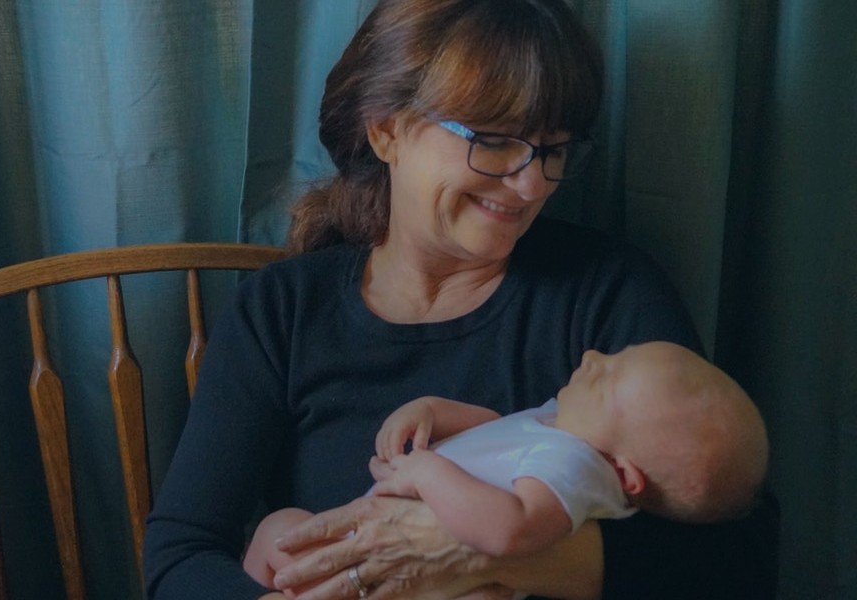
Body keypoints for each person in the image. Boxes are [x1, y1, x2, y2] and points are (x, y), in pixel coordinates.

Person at [143, 0, 778, 598]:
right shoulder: (281, 311)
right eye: (493, 139)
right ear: (387, 131)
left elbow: (740, 558)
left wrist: (483, 553)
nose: (530, 184)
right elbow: (180, 554)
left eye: (552, 150)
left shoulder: (608, 292)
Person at [242, 341, 769, 596]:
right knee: (280, 532)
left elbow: (509, 526)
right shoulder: (565, 429)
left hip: (437, 588)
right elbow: (497, 433)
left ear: (624, 473)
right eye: (614, 354)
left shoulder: (576, 462)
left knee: (279, 533)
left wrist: (425, 471)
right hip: (368, 559)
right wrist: (436, 411)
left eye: (607, 378)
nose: (591, 357)